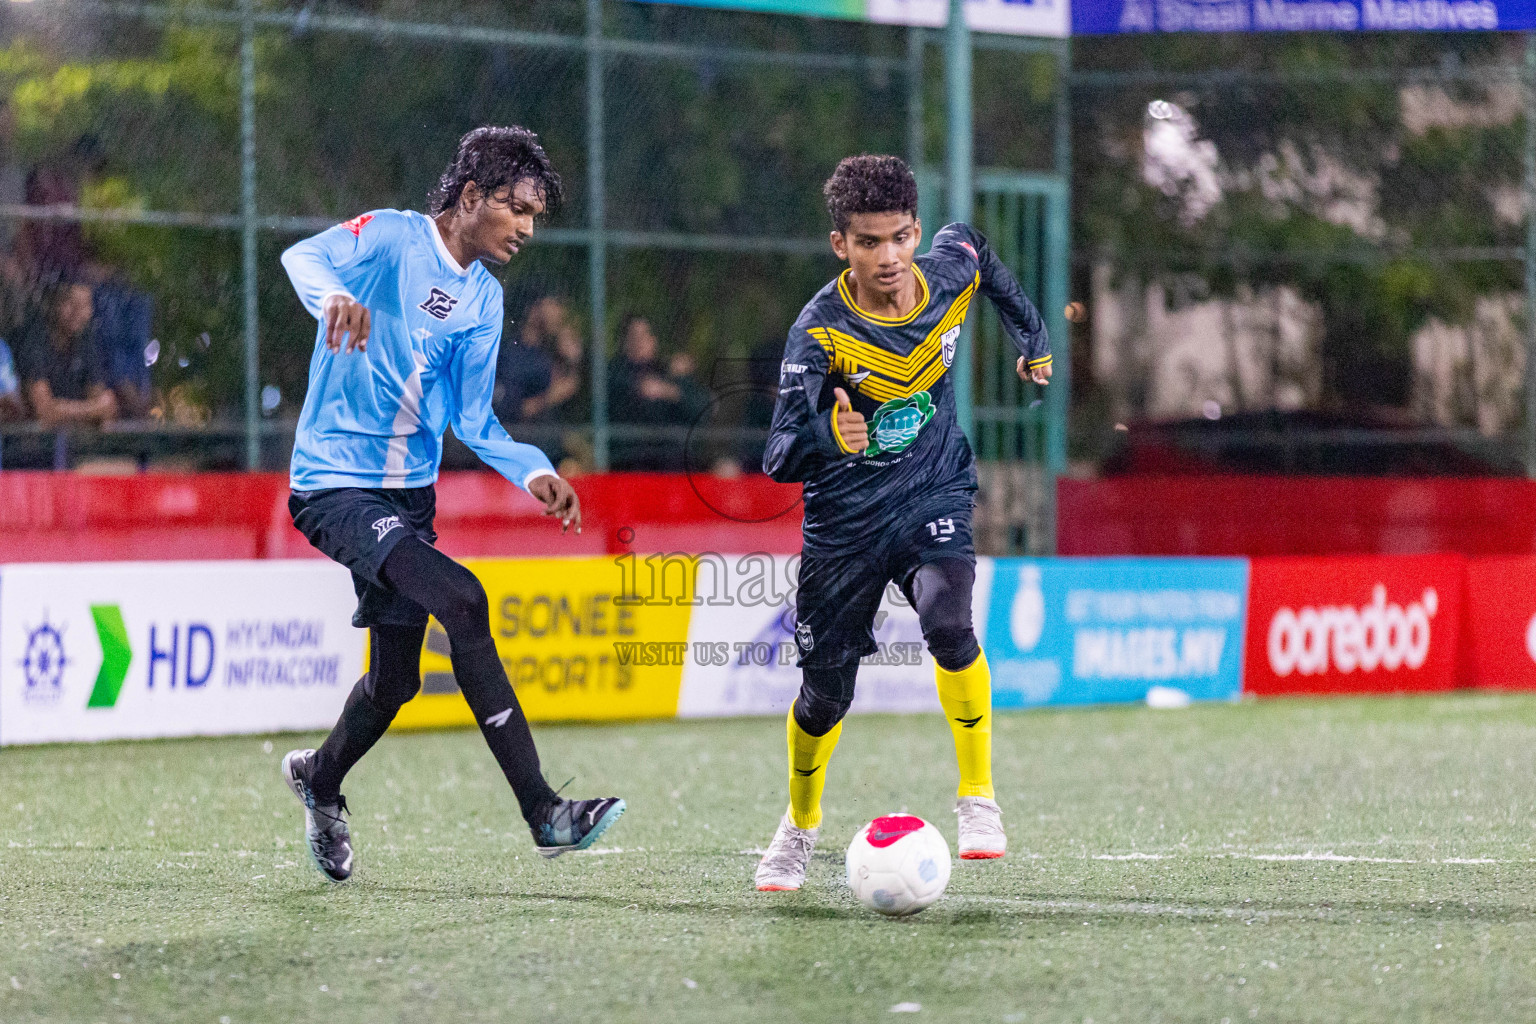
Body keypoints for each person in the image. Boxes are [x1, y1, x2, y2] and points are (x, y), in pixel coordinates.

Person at [277, 125, 624, 883]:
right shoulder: (392, 238)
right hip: (333, 482)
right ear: (472, 196)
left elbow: (474, 420)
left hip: (408, 496)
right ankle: (544, 813)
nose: (528, 229)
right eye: (518, 210)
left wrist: (531, 471)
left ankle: (320, 779)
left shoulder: (485, 301)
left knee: (395, 683)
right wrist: (333, 295)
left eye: (535, 215)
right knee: (464, 599)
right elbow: (301, 257)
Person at [753, 155, 1052, 891]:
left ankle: (978, 798)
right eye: (867, 242)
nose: (887, 258)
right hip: (845, 524)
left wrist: (1035, 342)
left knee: (950, 626)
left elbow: (987, 263)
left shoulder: (948, 269)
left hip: (933, 493)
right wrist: (830, 436)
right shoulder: (818, 334)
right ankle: (799, 825)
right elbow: (777, 456)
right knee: (825, 698)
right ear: (840, 246)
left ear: (917, 231)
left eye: (898, 238)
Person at [18, 280, 117, 427]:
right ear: (54, 305)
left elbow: (107, 407)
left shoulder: (86, 344)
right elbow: (44, 411)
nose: (78, 312)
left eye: (85, 305)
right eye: (71, 303)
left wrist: (63, 409)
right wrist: (92, 410)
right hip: (35, 445)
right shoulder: (34, 343)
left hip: (77, 443)